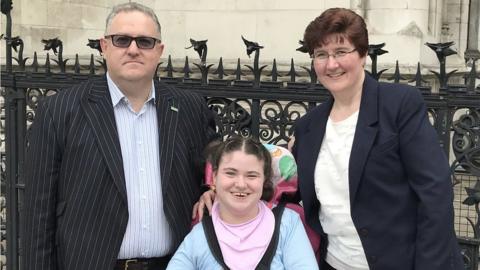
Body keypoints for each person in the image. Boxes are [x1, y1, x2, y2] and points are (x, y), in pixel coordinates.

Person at [22, 2, 217, 270]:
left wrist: (212, 189)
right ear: (104, 46)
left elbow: (215, 166)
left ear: (159, 50)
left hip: (174, 264)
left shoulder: (190, 108)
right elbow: (38, 214)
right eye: (122, 40)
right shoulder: (59, 111)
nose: (133, 49)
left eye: (145, 41)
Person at [292, 7, 463, 269]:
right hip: (334, 262)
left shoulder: (398, 105)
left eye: (341, 52)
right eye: (321, 54)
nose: (331, 64)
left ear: (362, 54)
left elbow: (435, 194)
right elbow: (281, 185)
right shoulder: (308, 127)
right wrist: (214, 190)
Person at [167, 137, 318, 270]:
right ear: (214, 177)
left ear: (264, 180)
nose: (240, 184)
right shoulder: (200, 233)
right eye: (231, 173)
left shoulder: (288, 223)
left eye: (252, 175)